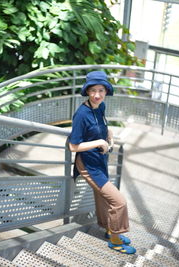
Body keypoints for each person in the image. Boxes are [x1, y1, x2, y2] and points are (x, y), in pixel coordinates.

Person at [68, 70, 136, 254]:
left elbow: (99, 127)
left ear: (106, 91)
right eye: (93, 91)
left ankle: (108, 228)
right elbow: (73, 146)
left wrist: (108, 134)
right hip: (88, 164)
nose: (97, 95)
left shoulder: (101, 107)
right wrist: (99, 142)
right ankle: (115, 240)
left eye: (101, 90)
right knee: (119, 202)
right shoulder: (82, 114)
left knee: (102, 197)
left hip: (100, 160)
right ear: (87, 92)